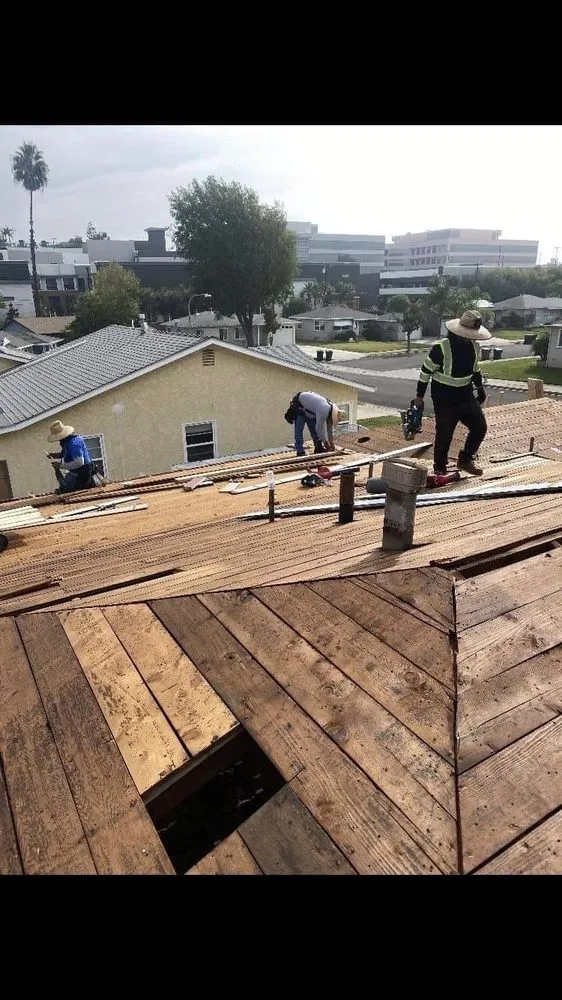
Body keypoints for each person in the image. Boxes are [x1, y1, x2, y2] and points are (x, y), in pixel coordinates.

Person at [415, 310, 491, 476]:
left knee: (480, 427)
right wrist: (419, 396)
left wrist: (480, 388)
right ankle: (440, 469)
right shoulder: (440, 348)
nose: (469, 337)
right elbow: (425, 372)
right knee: (444, 434)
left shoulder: (474, 347)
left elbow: (475, 369)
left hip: (465, 395)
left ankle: (466, 459)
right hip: (444, 398)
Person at [46, 419, 96, 494]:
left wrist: (60, 465)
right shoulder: (67, 442)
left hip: (83, 473)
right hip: (76, 472)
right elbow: (67, 454)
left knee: (70, 490)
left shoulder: (75, 442)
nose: (59, 441)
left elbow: (79, 462)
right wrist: (55, 455)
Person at [284, 392, 341, 456]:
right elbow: (319, 428)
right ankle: (300, 451)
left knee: (313, 429)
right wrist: (325, 443)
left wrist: (331, 442)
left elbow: (329, 429)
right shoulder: (324, 410)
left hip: (309, 410)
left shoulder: (330, 410)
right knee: (299, 430)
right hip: (299, 406)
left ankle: (318, 447)